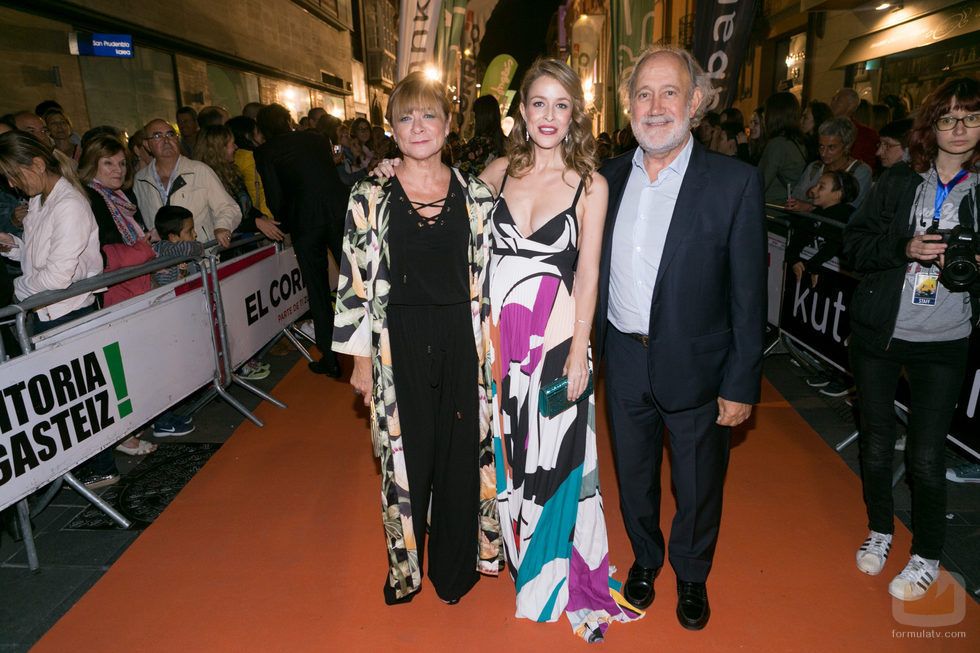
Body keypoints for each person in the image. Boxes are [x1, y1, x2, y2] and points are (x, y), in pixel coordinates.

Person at [595, 46, 766, 631]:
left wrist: (741, 382)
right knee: (634, 474)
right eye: (643, 94)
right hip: (621, 355)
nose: (656, 106)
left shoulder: (735, 183)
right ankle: (645, 558)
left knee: (697, 482)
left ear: (695, 101)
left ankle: (692, 573)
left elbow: (750, 296)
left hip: (699, 365)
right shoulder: (605, 178)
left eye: (670, 92)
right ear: (628, 105)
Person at [479, 58, 641, 642]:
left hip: (555, 345)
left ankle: (555, 576)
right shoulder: (495, 173)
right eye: (538, 103)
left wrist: (580, 351)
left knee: (558, 460)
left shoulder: (589, 184)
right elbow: (449, 224)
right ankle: (521, 557)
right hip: (499, 344)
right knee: (511, 452)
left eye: (561, 105)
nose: (549, 116)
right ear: (521, 111)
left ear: (576, 115)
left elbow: (590, 273)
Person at [332, 72, 503, 606]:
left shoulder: (476, 194)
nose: (418, 126)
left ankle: (455, 572)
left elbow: (493, 277)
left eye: (429, 115)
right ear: (391, 129)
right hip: (395, 341)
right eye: (405, 117)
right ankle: (405, 570)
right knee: (405, 459)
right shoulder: (369, 193)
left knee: (459, 457)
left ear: (449, 125)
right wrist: (359, 364)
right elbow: (354, 282)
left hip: (461, 340)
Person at [842, 77, 980, 602]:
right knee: (876, 445)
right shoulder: (900, 181)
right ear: (932, 126)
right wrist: (905, 247)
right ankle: (880, 529)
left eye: (970, 117)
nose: (959, 129)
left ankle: (927, 554)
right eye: (948, 118)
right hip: (880, 333)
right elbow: (854, 244)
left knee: (926, 456)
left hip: (945, 340)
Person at [255, 104, 345, 376]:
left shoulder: (265, 152)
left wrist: (284, 220)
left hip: (305, 222)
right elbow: (327, 173)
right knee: (357, 279)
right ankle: (378, 343)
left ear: (263, 129)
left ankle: (330, 358)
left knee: (317, 289)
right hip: (339, 211)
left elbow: (275, 196)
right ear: (288, 120)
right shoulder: (316, 137)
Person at [0, 131, 101, 330]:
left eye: (14, 176)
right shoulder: (37, 198)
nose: (11, 184)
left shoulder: (68, 205)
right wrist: (11, 245)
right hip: (47, 309)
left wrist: (17, 288)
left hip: (69, 313)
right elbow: (41, 254)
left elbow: (57, 277)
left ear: (38, 165)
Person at [133, 118, 241, 247]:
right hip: (164, 261)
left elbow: (228, 208)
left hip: (202, 256)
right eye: (157, 136)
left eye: (170, 134)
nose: (166, 140)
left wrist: (222, 227)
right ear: (146, 145)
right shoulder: (140, 180)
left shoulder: (199, 171)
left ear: (177, 139)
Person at [193, 125, 283, 243]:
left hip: (245, 242)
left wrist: (261, 217)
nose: (236, 147)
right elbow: (219, 219)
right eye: (232, 144)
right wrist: (255, 223)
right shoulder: (205, 179)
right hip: (227, 248)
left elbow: (246, 207)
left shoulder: (232, 172)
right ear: (219, 149)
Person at [785, 169, 859, 289]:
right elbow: (800, 235)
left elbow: (834, 244)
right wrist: (793, 257)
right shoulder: (818, 212)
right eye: (816, 185)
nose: (813, 190)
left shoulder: (844, 215)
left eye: (821, 187)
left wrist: (814, 265)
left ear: (837, 194)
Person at [788, 117, 873, 211]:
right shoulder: (814, 167)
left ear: (847, 146)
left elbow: (848, 210)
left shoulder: (860, 172)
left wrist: (810, 207)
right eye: (821, 146)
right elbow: (796, 196)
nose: (823, 153)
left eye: (831, 147)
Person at [758, 92, 807, 205]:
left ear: (774, 115)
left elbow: (761, 183)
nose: (763, 116)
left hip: (773, 211)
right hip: (786, 209)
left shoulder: (777, 144)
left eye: (766, 112)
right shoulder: (798, 141)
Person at [151, 205, 204, 286]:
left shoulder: (187, 248)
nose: (195, 234)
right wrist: (199, 247)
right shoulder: (164, 249)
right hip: (172, 295)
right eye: (189, 231)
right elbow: (185, 248)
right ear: (173, 237)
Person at [455, 94, 507, 176]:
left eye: (475, 115)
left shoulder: (475, 145)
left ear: (479, 118)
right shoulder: (507, 144)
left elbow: (458, 174)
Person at [830, 87, 878, 169]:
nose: (832, 103)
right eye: (833, 99)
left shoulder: (866, 134)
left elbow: (870, 165)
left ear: (851, 106)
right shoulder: (826, 127)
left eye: (838, 100)